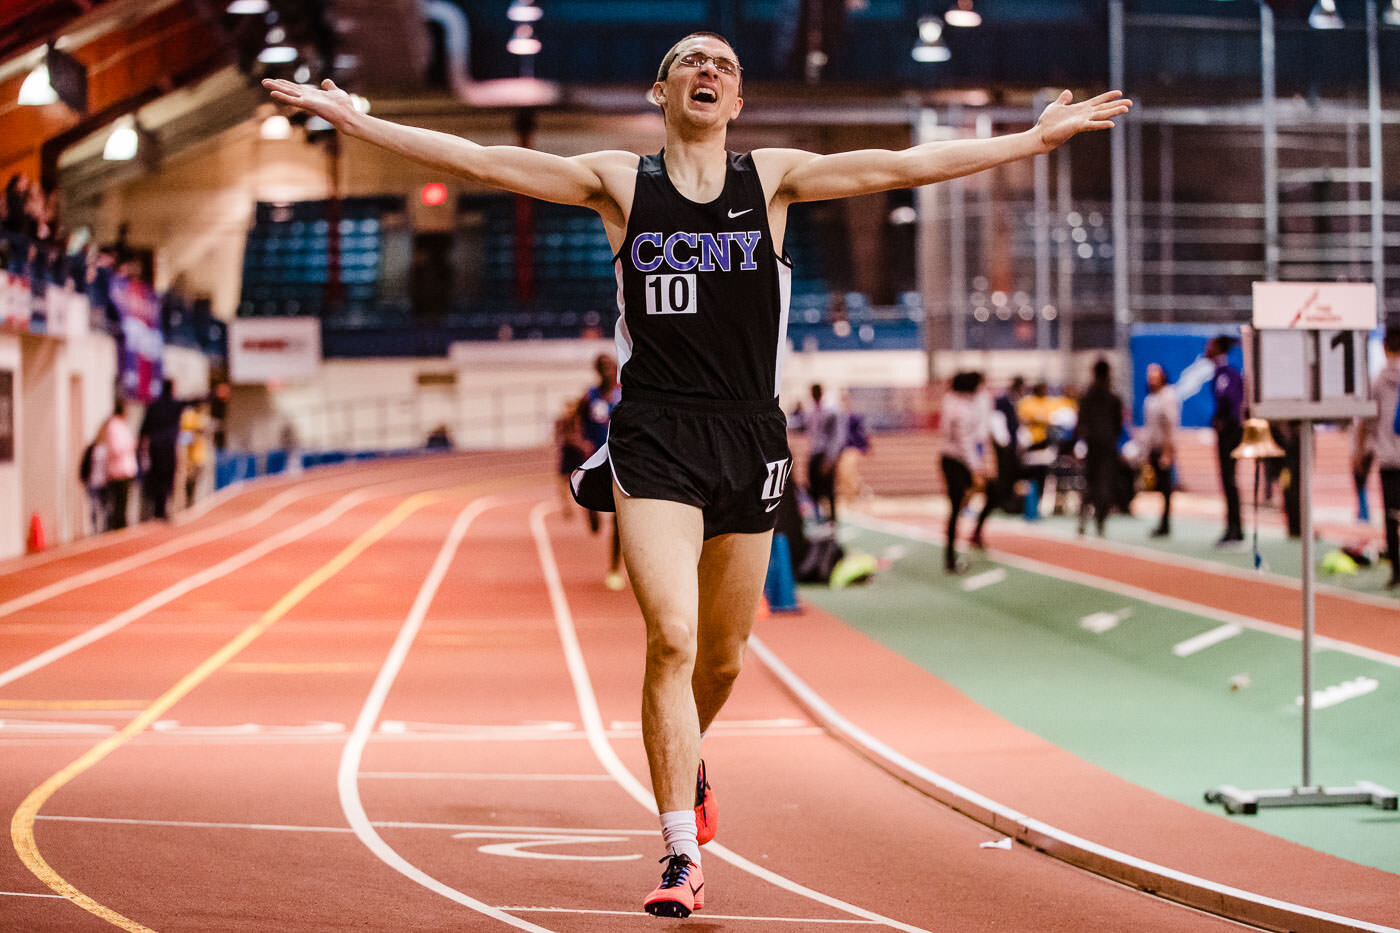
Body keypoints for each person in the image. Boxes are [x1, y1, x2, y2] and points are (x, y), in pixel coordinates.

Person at [264, 37, 1130, 917]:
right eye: (688, 60)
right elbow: (484, 159)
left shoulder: (776, 180)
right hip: (656, 435)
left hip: (749, 435)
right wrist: (357, 119)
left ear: (739, 99)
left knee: (720, 654)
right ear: (660, 90)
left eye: (721, 63)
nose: (706, 68)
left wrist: (1031, 140)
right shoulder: (621, 182)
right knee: (671, 638)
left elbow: (901, 163)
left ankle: (689, 754)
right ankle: (682, 850)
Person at [1356, 326, 1400, 589]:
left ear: (1384, 347)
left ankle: (1396, 570)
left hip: (1388, 459)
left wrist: (1360, 453)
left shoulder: (1377, 381)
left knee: (1391, 517)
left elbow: (1366, 423)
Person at [579, 353, 625, 590]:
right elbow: (577, 422)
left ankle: (614, 568)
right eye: (602, 366)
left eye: (610, 365)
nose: (607, 369)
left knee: (619, 519)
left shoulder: (623, 393)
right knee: (595, 513)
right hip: (595, 460)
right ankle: (590, 511)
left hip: (618, 461)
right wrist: (582, 442)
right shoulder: (590, 396)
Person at [938, 371, 986, 573]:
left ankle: (962, 545)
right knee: (957, 507)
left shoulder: (950, 401)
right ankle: (951, 558)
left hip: (950, 460)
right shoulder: (962, 410)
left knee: (957, 507)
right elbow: (965, 443)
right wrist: (975, 470)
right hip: (956, 461)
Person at [1073, 358, 1125, 537]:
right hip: (1108, 446)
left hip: (1092, 445)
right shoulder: (1114, 398)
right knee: (1104, 485)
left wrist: (1081, 443)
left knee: (1089, 484)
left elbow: (1080, 423)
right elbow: (1119, 427)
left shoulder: (1086, 397)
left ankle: (1082, 519)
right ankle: (1100, 523)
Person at [972, 375, 1024, 548]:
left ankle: (977, 530)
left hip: (996, 453)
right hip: (988, 455)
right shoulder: (992, 402)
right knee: (991, 491)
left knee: (995, 493)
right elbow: (991, 428)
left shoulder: (991, 401)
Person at [1206, 335, 1245, 546]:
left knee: (1229, 480)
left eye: (1210, 345)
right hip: (1227, 432)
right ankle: (1233, 526)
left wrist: (1223, 422)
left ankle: (1235, 528)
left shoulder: (1226, 374)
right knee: (1227, 481)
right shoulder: (1220, 373)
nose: (1206, 349)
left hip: (1230, 434)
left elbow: (1232, 401)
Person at [1139, 363, 1178, 537]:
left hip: (1164, 447)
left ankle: (1166, 522)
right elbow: (1149, 427)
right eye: (1150, 376)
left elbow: (1171, 424)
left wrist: (1168, 451)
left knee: (1165, 486)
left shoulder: (1168, 396)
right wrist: (1146, 450)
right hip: (1153, 447)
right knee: (1156, 486)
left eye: (1155, 376)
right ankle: (1161, 521)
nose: (1152, 379)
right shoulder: (1150, 398)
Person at [139, 379, 184, 521]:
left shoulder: (153, 406)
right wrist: (214, 394)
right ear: (172, 389)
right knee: (167, 478)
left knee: (157, 478)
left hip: (155, 447)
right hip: (168, 447)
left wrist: (140, 446)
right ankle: (161, 510)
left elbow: (143, 428)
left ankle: (158, 510)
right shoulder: (174, 405)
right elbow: (193, 401)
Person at [805, 383, 847, 525]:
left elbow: (837, 435)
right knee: (814, 486)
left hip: (826, 453)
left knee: (829, 488)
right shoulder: (812, 410)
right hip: (814, 452)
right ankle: (818, 516)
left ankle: (832, 518)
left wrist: (831, 458)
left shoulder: (831, 410)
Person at [101, 400, 139, 530]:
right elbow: (116, 448)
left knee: (123, 503)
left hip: (126, 469)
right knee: (118, 503)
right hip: (118, 470)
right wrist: (129, 446)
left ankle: (121, 526)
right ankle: (118, 528)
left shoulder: (122, 425)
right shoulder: (113, 426)